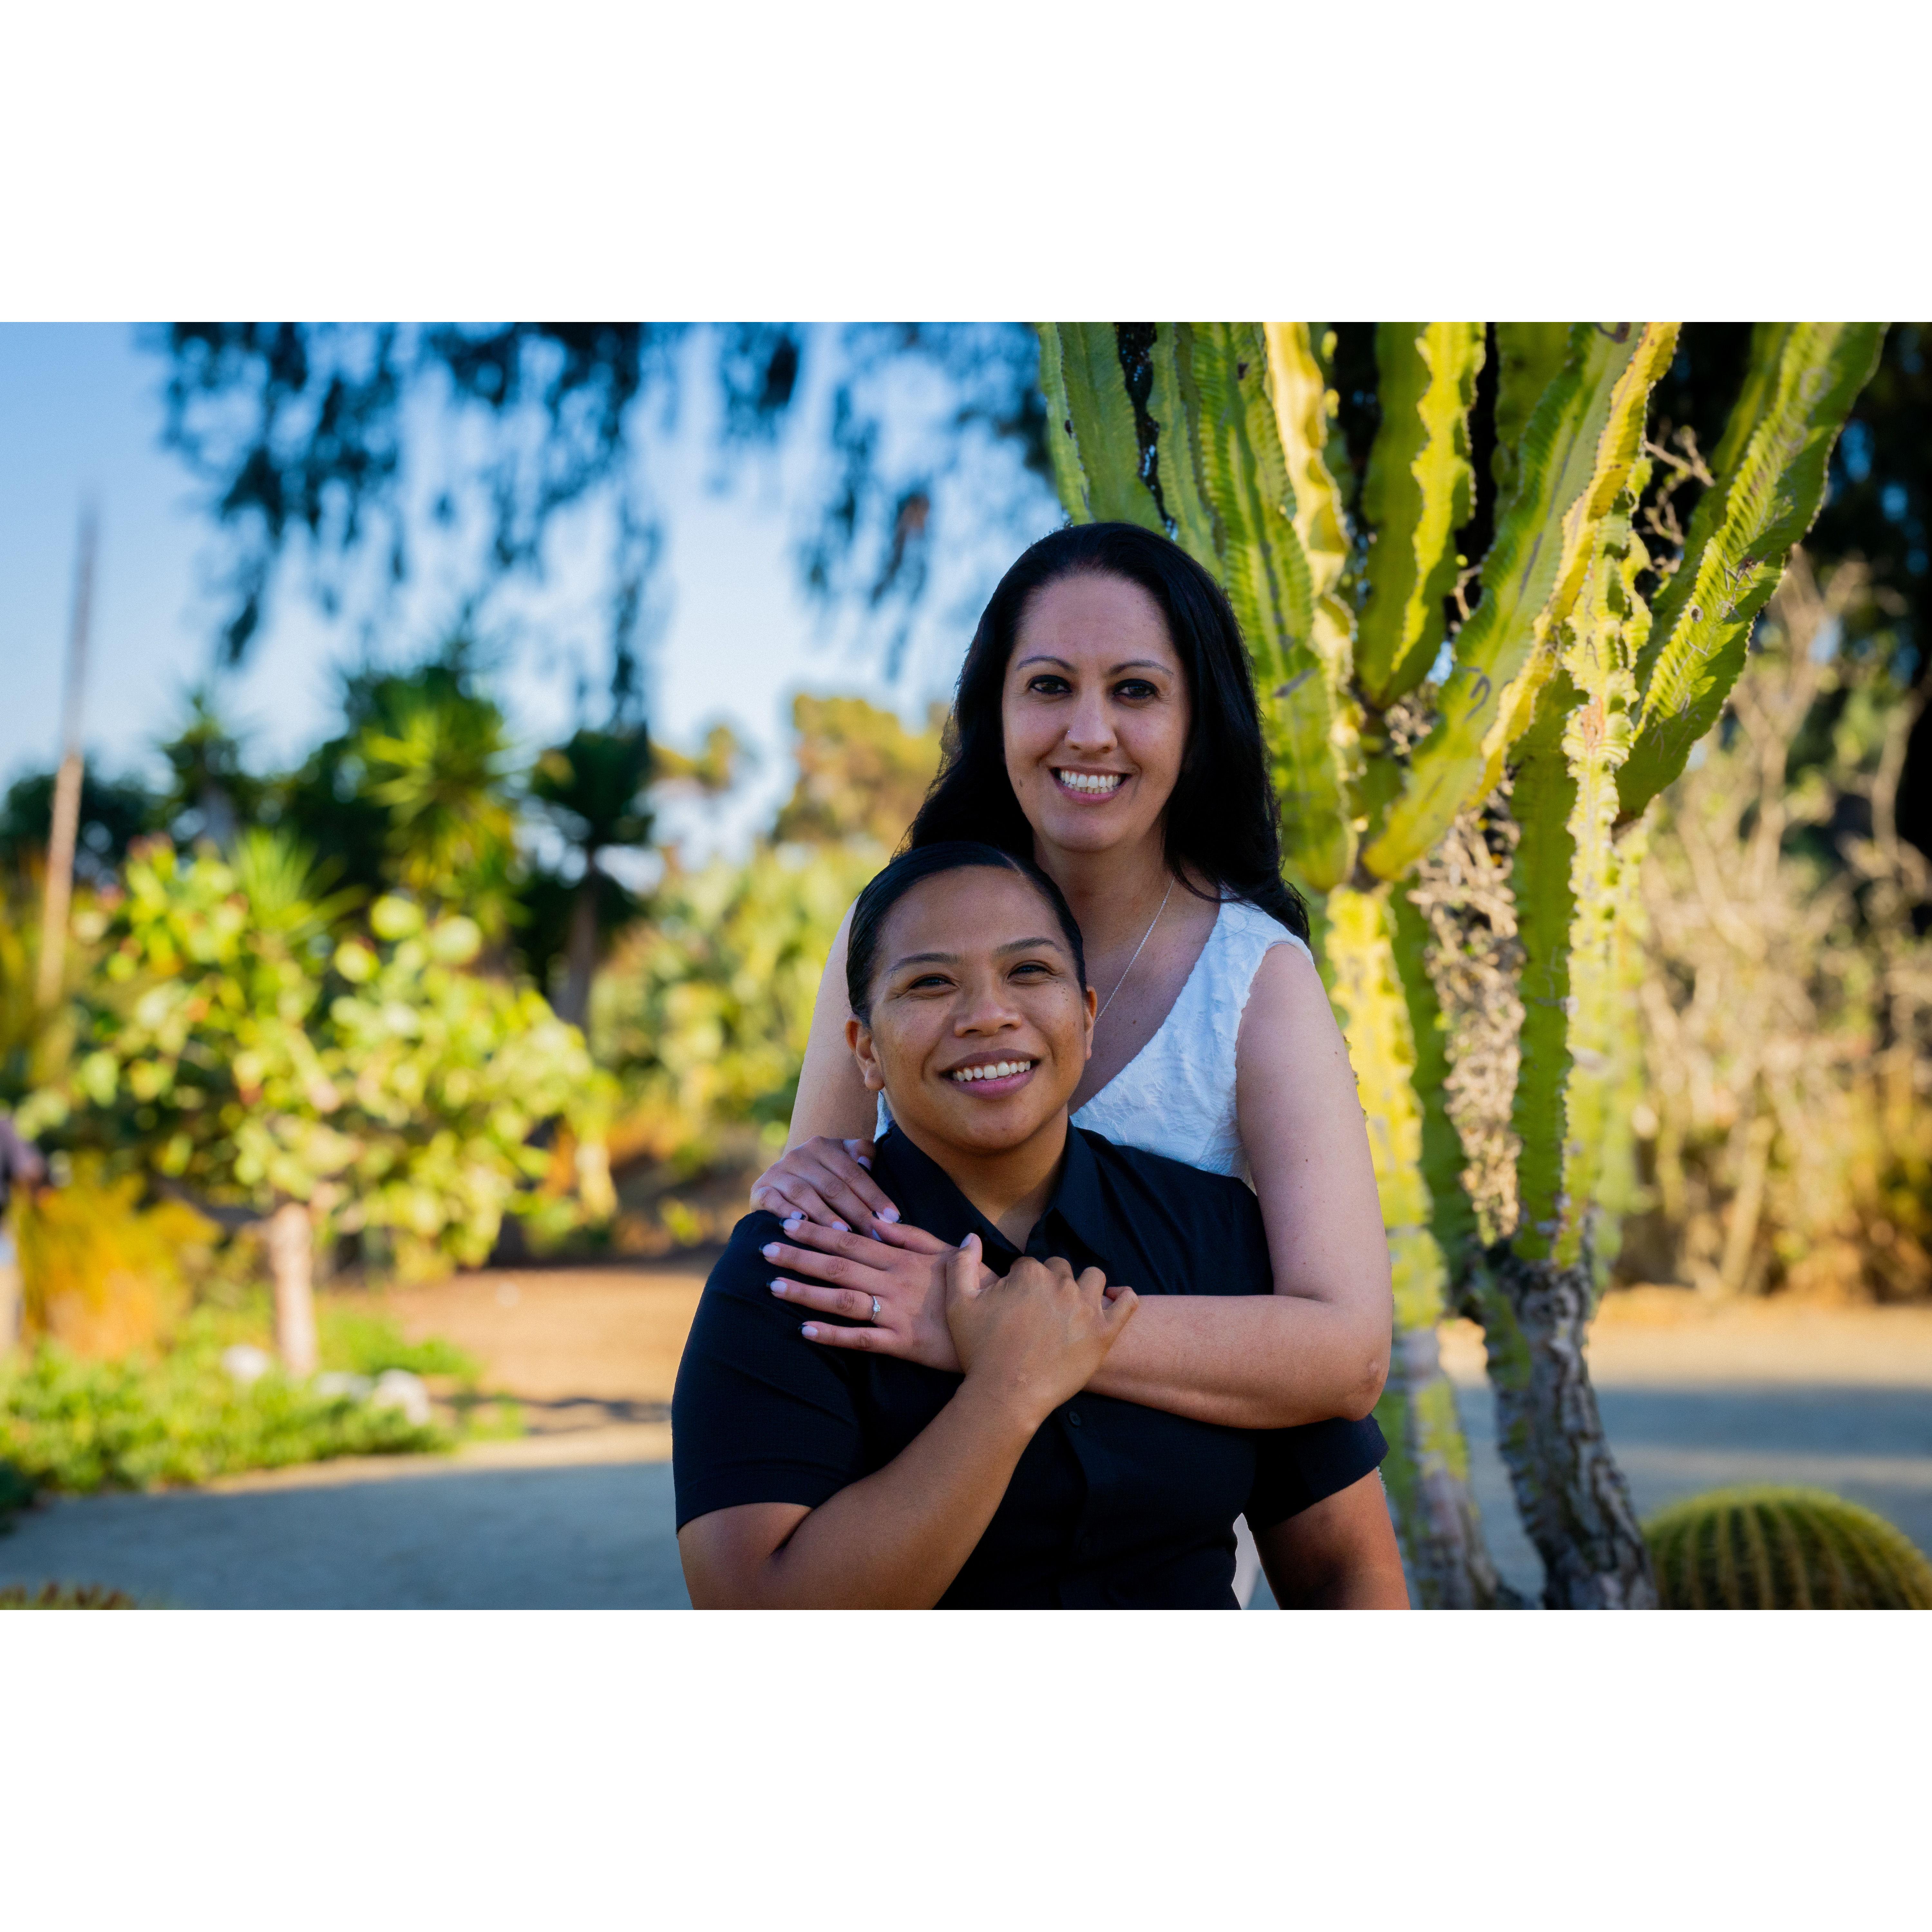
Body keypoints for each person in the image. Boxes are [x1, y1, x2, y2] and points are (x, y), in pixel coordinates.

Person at [748, 523, 1394, 1598]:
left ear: (1195, 722)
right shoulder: (890, 934)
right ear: (997, 710)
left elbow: (1347, 1352)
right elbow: (811, 1231)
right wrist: (803, 1177)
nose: (1088, 732)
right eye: (1049, 685)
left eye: (1136, 691)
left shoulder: (1258, 983)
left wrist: (1002, 1334)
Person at [673, 845, 1407, 1609]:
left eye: (1030, 972)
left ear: (1087, 1020)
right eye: (930, 983)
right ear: (866, 1052)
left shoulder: (1214, 1232)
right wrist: (1007, 1391)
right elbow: (757, 1611)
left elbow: (1344, 1572)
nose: (989, 1014)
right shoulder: (795, 1269)